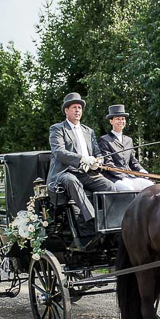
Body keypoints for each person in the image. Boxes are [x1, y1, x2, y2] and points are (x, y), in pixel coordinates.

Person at [47, 92, 115, 223]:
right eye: (74, 107)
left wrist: (98, 162)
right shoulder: (57, 129)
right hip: (64, 172)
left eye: (79, 107)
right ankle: (93, 219)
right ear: (66, 111)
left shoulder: (88, 131)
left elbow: (98, 153)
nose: (77, 110)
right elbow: (59, 152)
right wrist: (82, 159)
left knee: (109, 186)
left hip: (86, 173)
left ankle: (113, 219)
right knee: (72, 181)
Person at [98, 104, 154, 191]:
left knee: (150, 185)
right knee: (128, 189)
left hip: (130, 176)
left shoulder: (129, 140)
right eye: (118, 119)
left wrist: (141, 170)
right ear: (111, 121)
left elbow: (133, 161)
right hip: (114, 178)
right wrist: (122, 176)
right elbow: (108, 164)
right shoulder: (105, 140)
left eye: (123, 119)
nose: (121, 121)